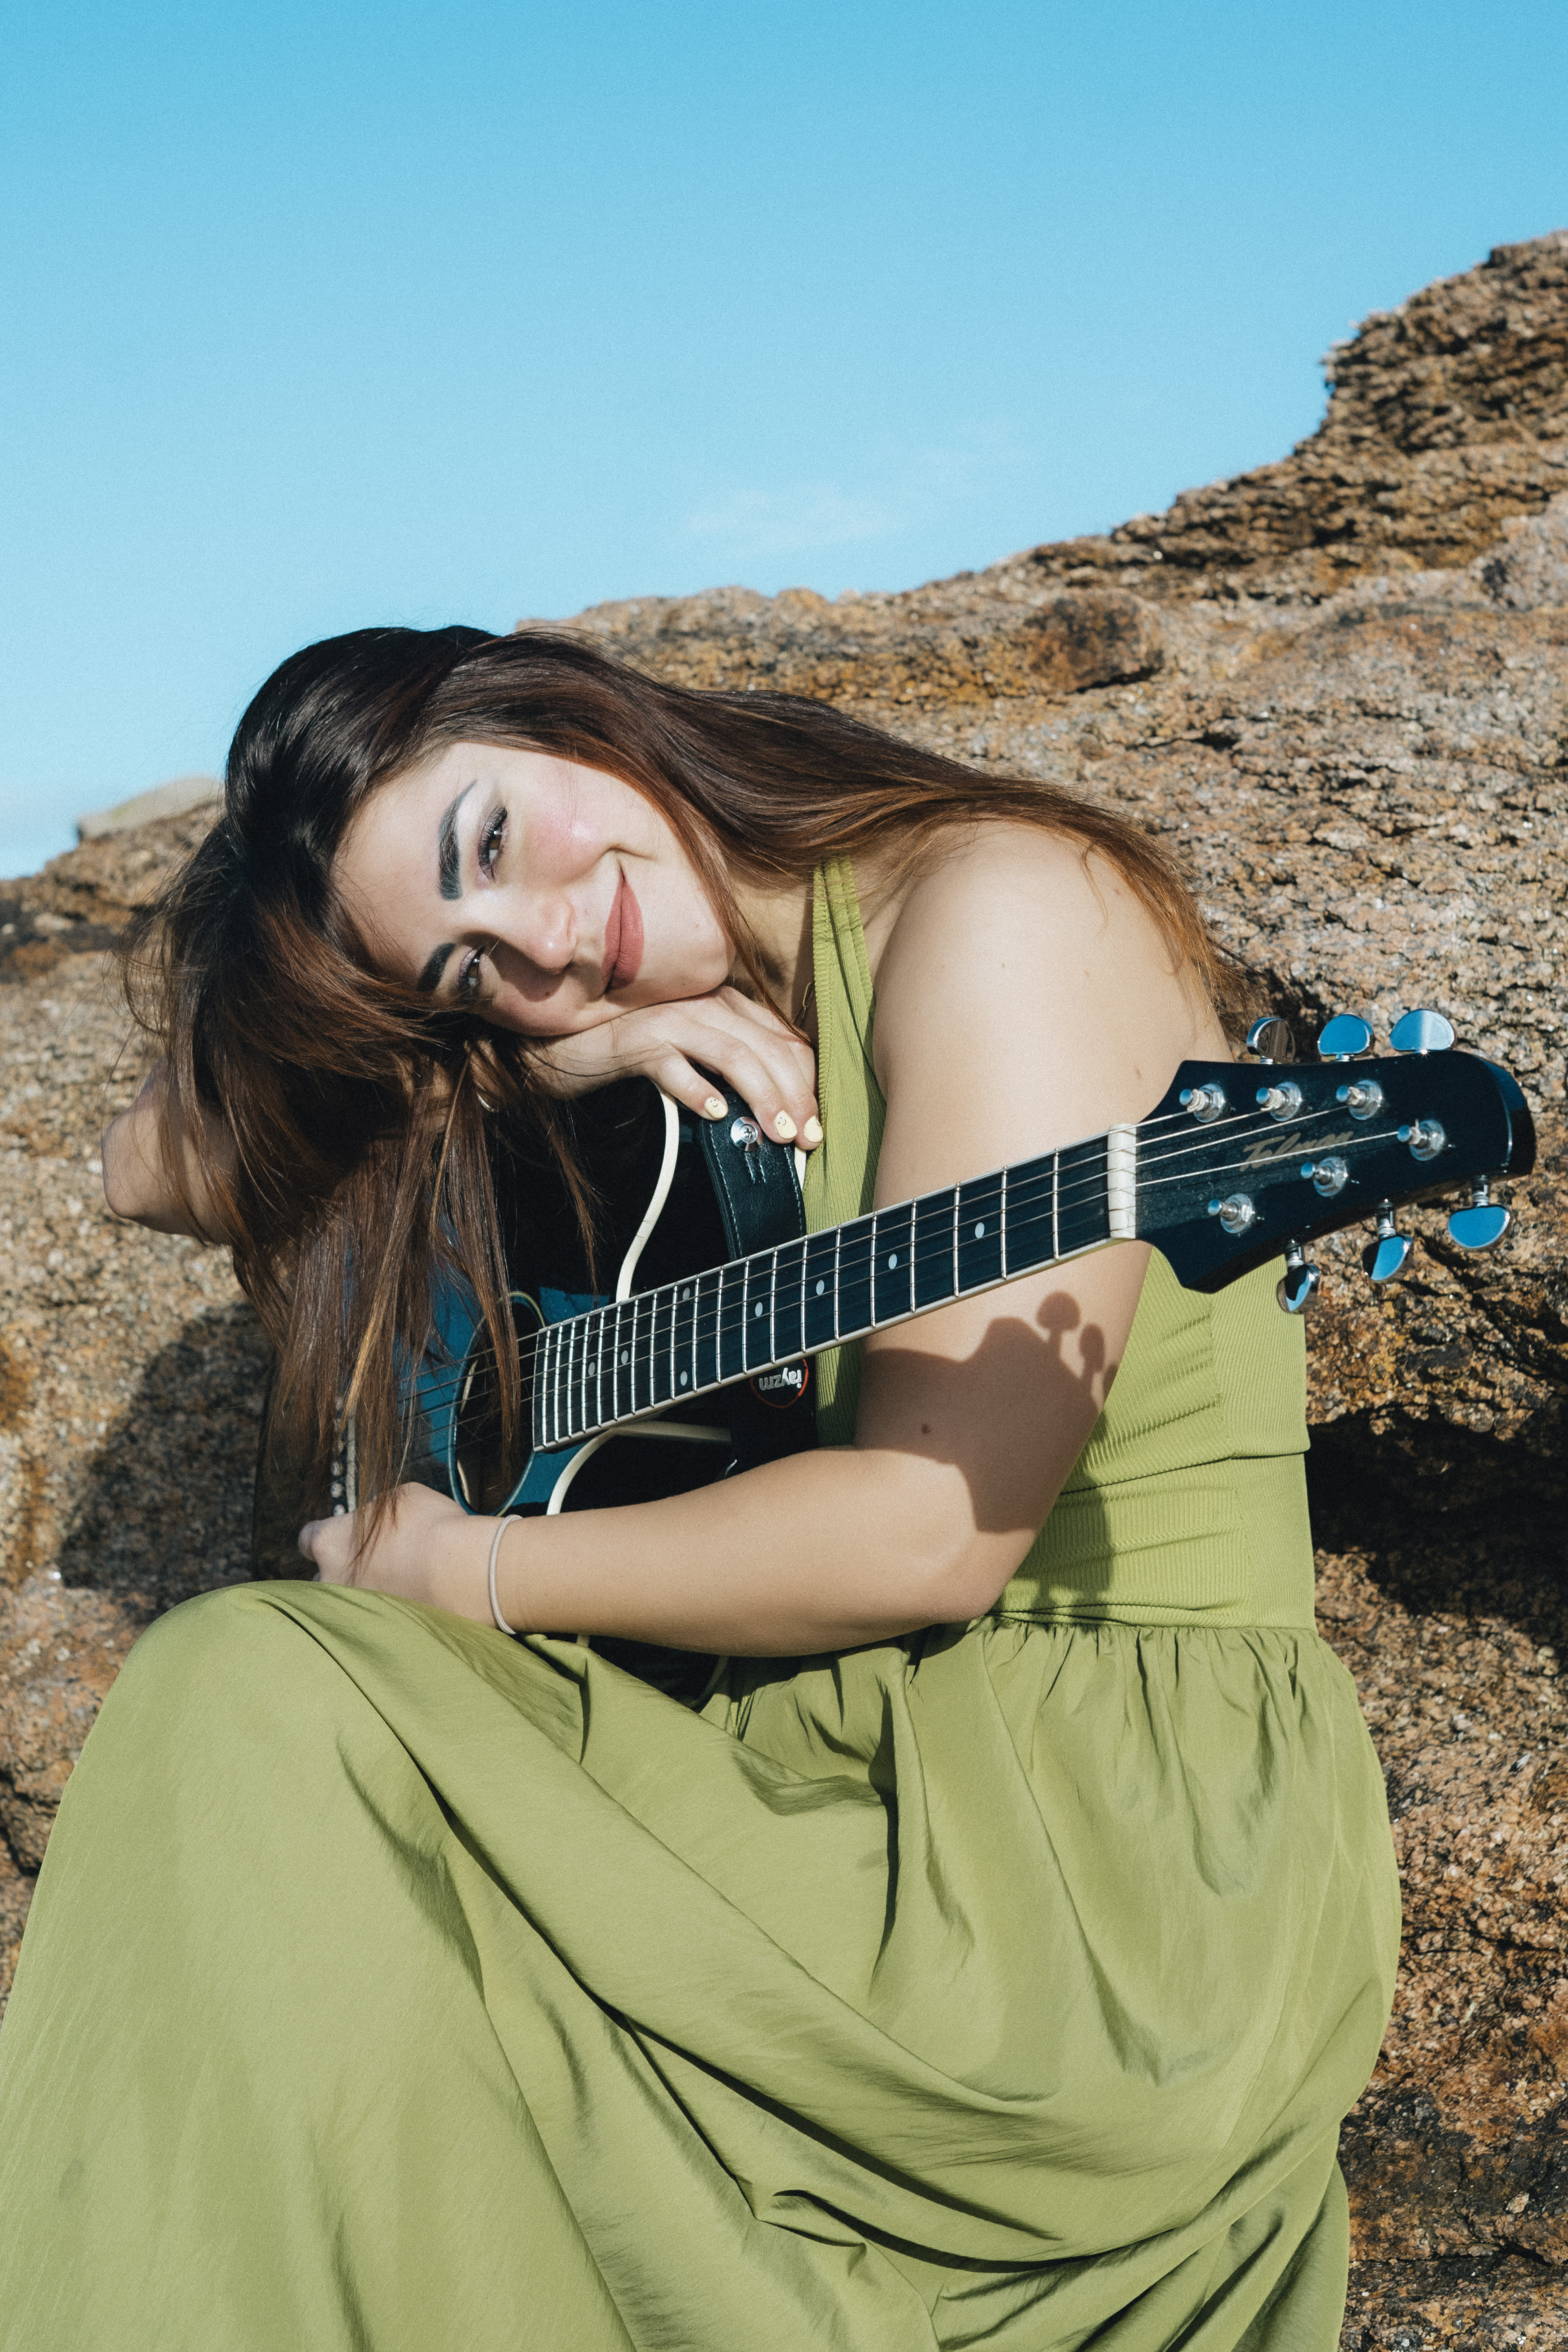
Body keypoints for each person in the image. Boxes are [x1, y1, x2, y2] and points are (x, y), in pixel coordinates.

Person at [0, 626, 1398, 2351]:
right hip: (811, 1763)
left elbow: (929, 1532)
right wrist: (515, 1065)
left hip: (1079, 1862)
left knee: (251, 1695)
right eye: (471, 968)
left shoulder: (1004, 910)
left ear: (564, 710)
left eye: (495, 840)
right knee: (278, 1840)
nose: (544, 940)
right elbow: (149, 1162)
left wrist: (458, 1571)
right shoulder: (601, 1035)